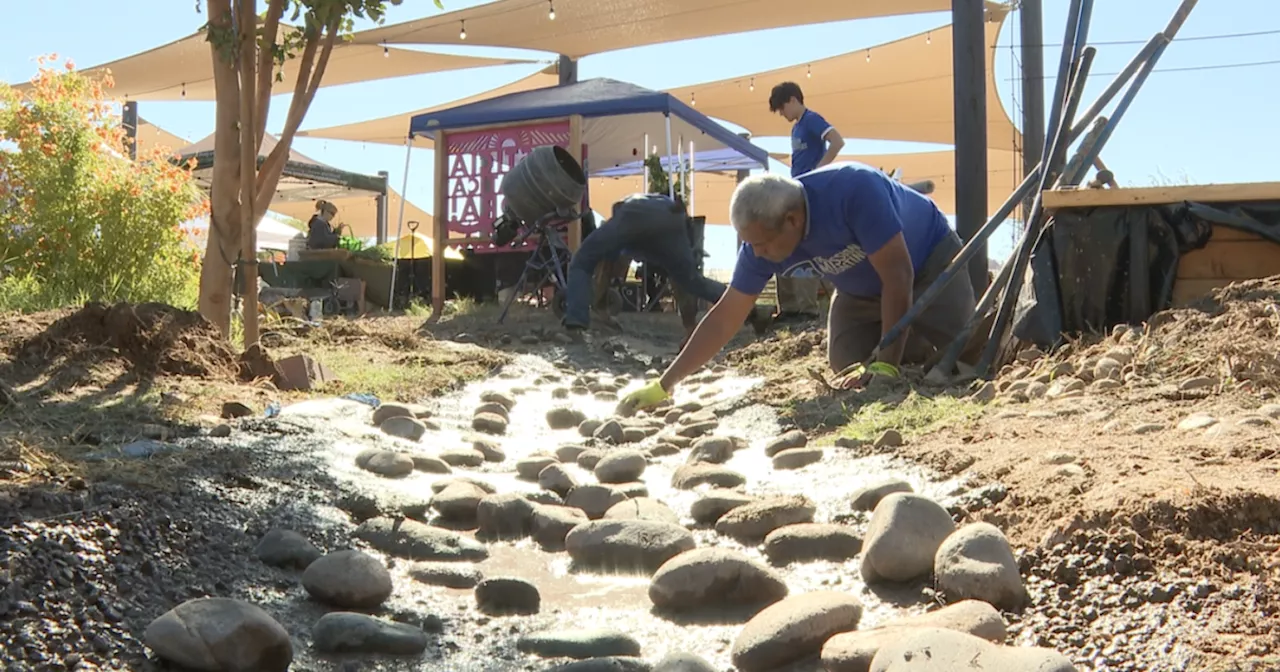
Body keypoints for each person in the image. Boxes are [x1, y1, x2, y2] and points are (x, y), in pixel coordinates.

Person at [619, 164, 975, 412]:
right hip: (860, 292)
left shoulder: (854, 189)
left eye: (761, 245)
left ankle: (908, 345)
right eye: (750, 245)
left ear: (793, 220)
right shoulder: (760, 241)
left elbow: (899, 275)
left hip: (929, 265)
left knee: (967, 355)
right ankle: (908, 345)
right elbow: (725, 318)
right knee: (845, 364)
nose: (757, 255)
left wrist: (885, 368)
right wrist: (664, 386)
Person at [562, 193, 768, 338]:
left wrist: (600, 308)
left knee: (582, 261)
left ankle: (576, 323)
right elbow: (681, 284)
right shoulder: (661, 205)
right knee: (692, 280)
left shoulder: (621, 215)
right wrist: (689, 328)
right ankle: (750, 311)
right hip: (672, 218)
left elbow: (606, 266)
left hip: (634, 216)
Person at [769, 81, 845, 322]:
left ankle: (808, 308)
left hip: (812, 193)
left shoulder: (811, 119)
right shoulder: (796, 128)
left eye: (782, 108)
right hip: (796, 191)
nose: (782, 114)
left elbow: (837, 141)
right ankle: (791, 306)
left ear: (793, 100)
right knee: (786, 242)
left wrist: (818, 172)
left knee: (808, 244)